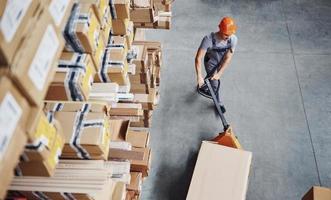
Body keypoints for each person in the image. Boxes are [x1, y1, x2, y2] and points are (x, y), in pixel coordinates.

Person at [195, 16, 238, 113]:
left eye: (230, 34)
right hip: (211, 61)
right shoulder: (208, 39)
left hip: (221, 60)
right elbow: (198, 58)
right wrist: (199, 76)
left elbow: (228, 57)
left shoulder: (233, 39)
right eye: (226, 34)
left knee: (214, 77)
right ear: (220, 29)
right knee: (215, 83)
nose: (228, 37)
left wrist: (219, 73)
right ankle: (218, 103)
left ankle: (205, 84)